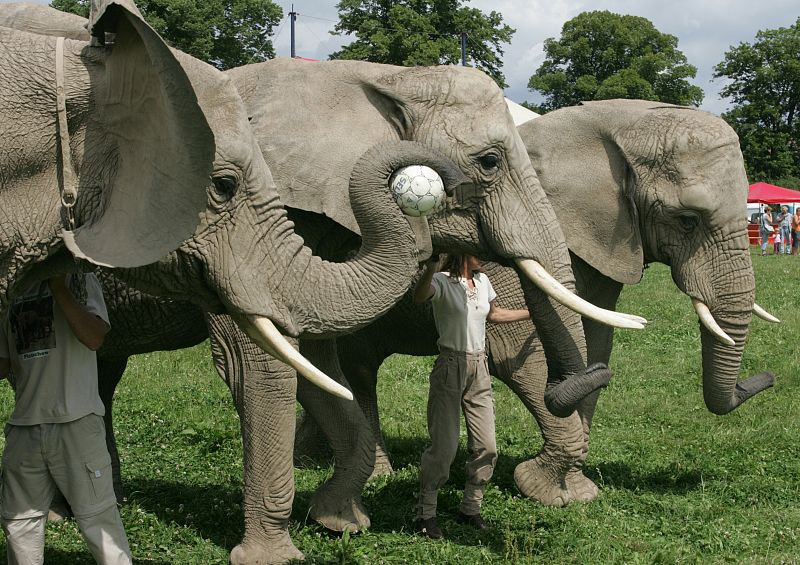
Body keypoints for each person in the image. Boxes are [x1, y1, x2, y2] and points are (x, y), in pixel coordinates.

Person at [0, 273, 132, 565]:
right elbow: (3, 364)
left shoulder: (81, 279)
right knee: (19, 525)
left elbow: (94, 337)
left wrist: (58, 286)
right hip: (24, 427)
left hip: (77, 423)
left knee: (99, 521)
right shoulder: (12, 289)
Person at [412, 254, 530, 539]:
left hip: (480, 368)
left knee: (488, 445)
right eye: (479, 253)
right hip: (450, 366)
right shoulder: (441, 281)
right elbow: (419, 297)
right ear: (463, 253)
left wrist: (533, 312)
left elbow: (494, 314)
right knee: (444, 448)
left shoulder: (483, 281)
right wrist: (430, 267)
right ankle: (425, 514)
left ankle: (470, 509)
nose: (486, 258)